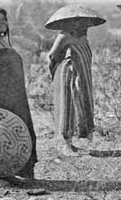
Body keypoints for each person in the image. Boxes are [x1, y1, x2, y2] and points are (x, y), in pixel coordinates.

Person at [0, 7, 37, 179]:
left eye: (5, 19)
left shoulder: (3, 41)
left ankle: (18, 172)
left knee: (20, 133)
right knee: (0, 135)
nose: (3, 23)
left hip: (15, 97)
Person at [46, 22, 95, 156]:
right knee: (67, 106)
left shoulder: (83, 36)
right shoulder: (64, 35)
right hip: (68, 73)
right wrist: (55, 71)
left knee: (77, 106)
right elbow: (51, 56)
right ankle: (65, 144)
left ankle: (71, 142)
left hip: (82, 75)